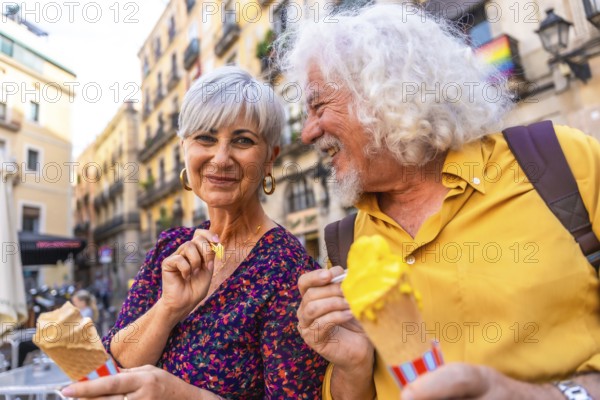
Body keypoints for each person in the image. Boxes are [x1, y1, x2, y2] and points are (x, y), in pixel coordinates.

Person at [281, 4, 600, 400]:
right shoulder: (344, 247)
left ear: (385, 93)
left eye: (318, 106)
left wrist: (550, 395)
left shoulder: (563, 163)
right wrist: (352, 367)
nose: (308, 133)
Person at [62, 66, 327, 399]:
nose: (221, 157)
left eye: (243, 140)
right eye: (206, 138)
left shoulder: (291, 273)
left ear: (270, 159)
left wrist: (185, 395)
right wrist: (168, 308)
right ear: (184, 149)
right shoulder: (170, 247)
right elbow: (112, 364)